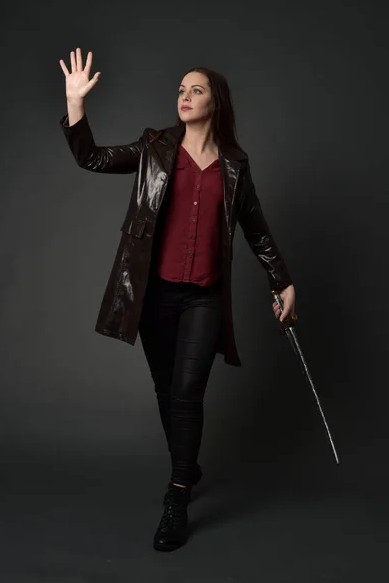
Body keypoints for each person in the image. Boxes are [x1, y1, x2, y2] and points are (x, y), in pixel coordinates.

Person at [59, 48, 296, 552]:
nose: (184, 96)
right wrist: (75, 105)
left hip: (206, 298)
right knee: (167, 390)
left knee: (187, 391)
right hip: (154, 295)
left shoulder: (234, 165)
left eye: (196, 89)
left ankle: (178, 494)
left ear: (217, 102)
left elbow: (256, 230)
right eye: (181, 89)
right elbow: (93, 158)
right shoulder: (154, 146)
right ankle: (188, 464)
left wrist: (283, 280)